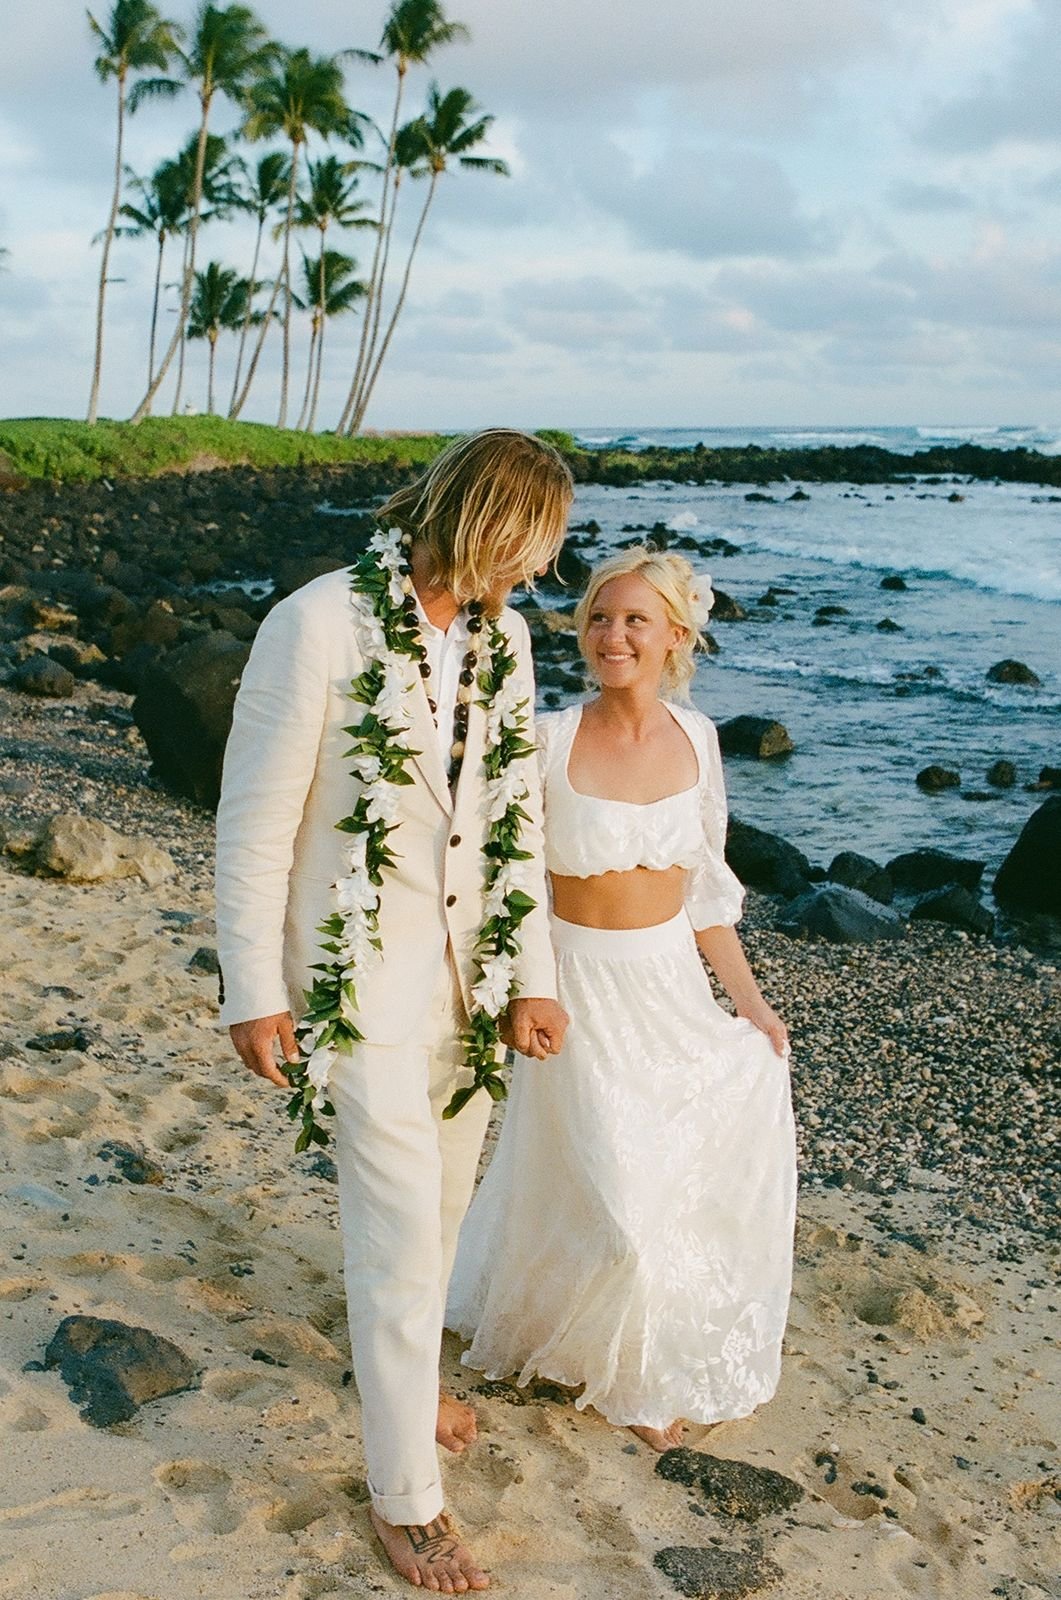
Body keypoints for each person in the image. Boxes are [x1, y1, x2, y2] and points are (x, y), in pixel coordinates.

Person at [215, 429, 573, 1593]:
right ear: (474, 521)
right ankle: (406, 1500)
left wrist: (530, 977)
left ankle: (407, 1386)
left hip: (467, 994)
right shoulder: (315, 623)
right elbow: (254, 824)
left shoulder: (505, 638)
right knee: (394, 1238)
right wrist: (251, 990)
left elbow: (515, 819)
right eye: (521, 547)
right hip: (353, 986)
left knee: (441, 1216)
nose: (528, 575)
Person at [447, 548, 797, 1451]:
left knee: (669, 1174)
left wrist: (750, 1007)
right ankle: (634, 1383)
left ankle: (641, 1347)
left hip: (669, 987)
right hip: (577, 990)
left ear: (676, 635)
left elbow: (707, 893)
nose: (613, 636)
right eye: (600, 617)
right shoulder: (550, 738)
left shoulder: (701, 740)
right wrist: (524, 988)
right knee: (617, 1195)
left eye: (635, 620)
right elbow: (507, 877)